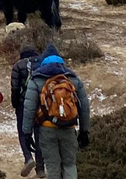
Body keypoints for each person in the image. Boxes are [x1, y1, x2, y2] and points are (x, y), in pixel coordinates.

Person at [22, 44, 90, 179]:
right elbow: (84, 107)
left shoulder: (36, 79)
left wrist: (27, 133)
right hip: (69, 128)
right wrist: (84, 131)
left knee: (53, 166)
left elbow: (29, 109)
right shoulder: (72, 78)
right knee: (70, 165)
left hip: (47, 130)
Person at [11, 43, 45, 177]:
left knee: (23, 132)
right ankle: (41, 169)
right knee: (39, 136)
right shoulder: (43, 63)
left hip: (23, 105)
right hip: (40, 105)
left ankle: (28, 158)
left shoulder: (18, 65)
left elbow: (15, 88)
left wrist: (15, 104)